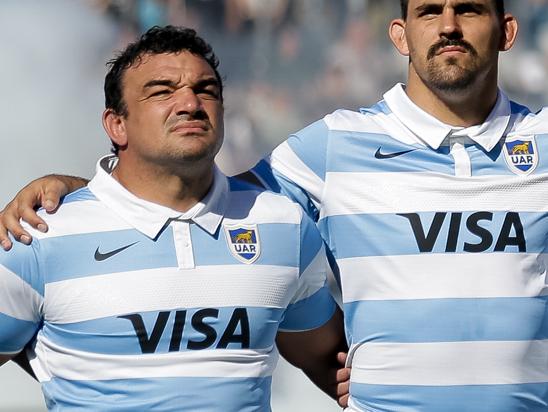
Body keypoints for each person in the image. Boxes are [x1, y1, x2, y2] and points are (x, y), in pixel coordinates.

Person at [2, 0, 546, 410]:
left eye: (469, 9)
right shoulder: (331, 146)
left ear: (507, 30)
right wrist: (87, 195)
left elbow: (209, 200)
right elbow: (182, 195)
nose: (448, 26)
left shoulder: (543, 140)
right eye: (429, 11)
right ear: (399, 35)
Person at [0, 26, 349, 410]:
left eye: (206, 90)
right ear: (117, 124)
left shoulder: (283, 225)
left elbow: (330, 361)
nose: (190, 103)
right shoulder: (40, 235)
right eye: (162, 91)